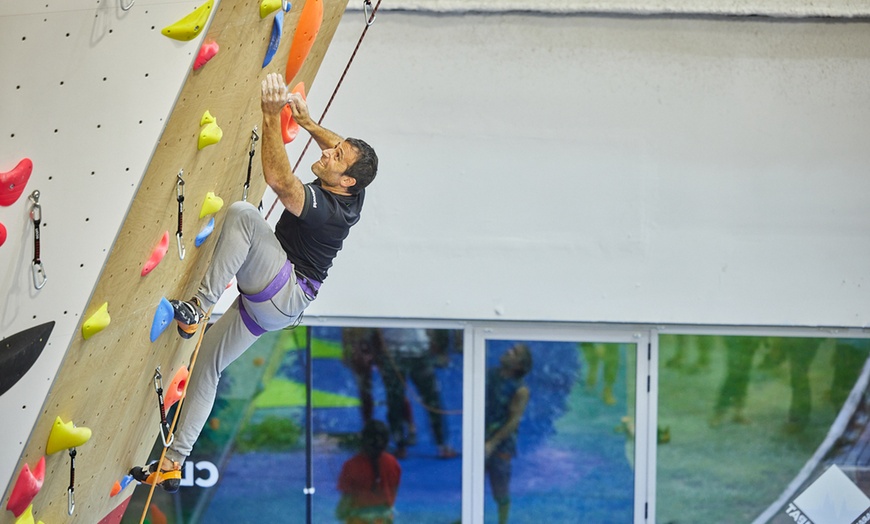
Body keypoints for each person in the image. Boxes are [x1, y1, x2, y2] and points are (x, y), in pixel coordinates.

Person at [131, 72, 378, 491]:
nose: (329, 154)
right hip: (279, 304)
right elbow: (339, 149)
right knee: (206, 362)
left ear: (346, 182)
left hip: (283, 290)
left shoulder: (326, 209)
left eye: (336, 158)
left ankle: (197, 307)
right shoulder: (354, 188)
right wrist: (309, 123)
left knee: (245, 215)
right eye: (334, 149)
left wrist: (270, 117)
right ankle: (174, 462)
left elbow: (282, 183)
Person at [375, 328, 458, 459]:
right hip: (397, 352)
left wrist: (441, 348)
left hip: (415, 351)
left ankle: (441, 444)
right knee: (396, 401)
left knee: (430, 399)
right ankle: (401, 445)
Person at [485, 343, 533, 524]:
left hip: (502, 444)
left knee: (500, 488)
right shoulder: (489, 374)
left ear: (520, 365)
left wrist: (492, 443)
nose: (507, 351)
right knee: (472, 478)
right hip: (482, 436)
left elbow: (512, 422)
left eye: (514, 352)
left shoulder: (520, 390)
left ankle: (502, 521)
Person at [336, 420, 402, 524]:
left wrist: (340, 513)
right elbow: (394, 491)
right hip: (384, 520)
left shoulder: (351, 465)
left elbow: (346, 501)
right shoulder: (392, 462)